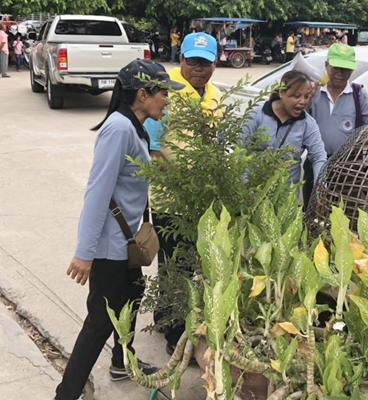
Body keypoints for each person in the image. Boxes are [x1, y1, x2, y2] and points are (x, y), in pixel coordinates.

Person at [53, 60, 184, 400]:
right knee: (100, 321)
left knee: (132, 301)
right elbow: (97, 193)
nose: (167, 100)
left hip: (126, 241)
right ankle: (65, 394)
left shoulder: (136, 126)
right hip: (109, 246)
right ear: (142, 94)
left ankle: (121, 363)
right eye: (163, 93)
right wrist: (85, 253)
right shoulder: (118, 129)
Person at [143, 32, 222, 355]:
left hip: (202, 200)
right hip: (171, 201)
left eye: (205, 62)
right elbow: (152, 147)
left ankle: (166, 317)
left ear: (215, 64)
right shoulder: (166, 93)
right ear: (181, 60)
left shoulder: (215, 95)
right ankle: (175, 335)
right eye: (192, 61)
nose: (198, 68)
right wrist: (179, 185)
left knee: (191, 263)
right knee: (175, 266)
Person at [303, 44, 368, 207]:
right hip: (315, 162)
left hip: (348, 166)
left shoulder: (358, 94)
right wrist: (306, 100)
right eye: (336, 68)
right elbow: (299, 119)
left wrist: (364, 138)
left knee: (347, 211)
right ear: (326, 65)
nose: (340, 73)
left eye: (345, 69)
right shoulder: (314, 91)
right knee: (313, 209)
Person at [242, 70, 327, 187]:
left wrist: (321, 186)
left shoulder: (308, 124)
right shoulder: (256, 114)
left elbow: (319, 157)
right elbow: (240, 149)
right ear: (282, 92)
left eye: (307, 96)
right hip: (251, 189)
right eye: (297, 96)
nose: (303, 101)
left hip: (285, 193)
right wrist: (245, 186)